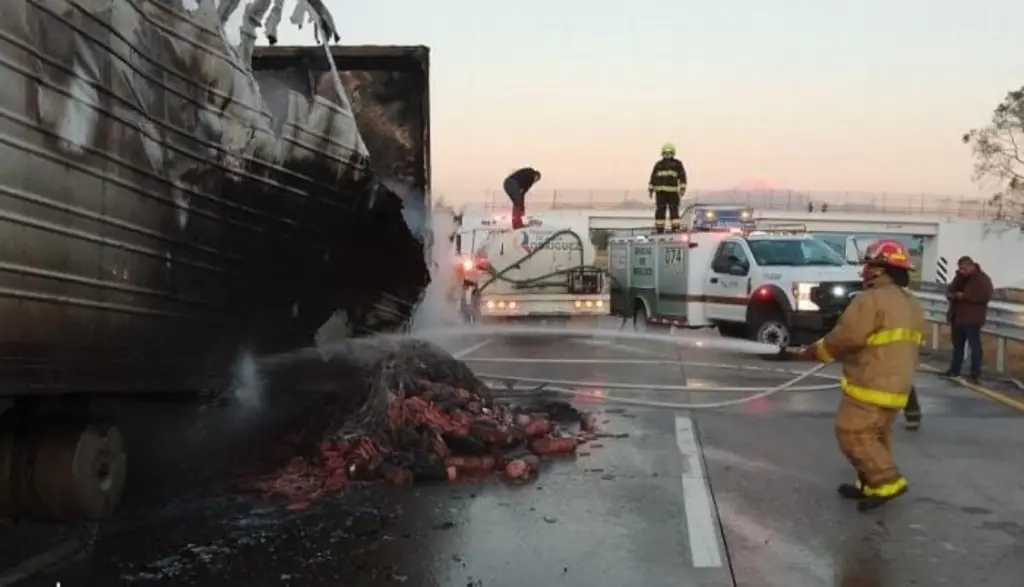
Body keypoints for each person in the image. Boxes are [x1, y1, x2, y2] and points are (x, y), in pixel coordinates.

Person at [799, 238, 927, 512]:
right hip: (897, 384)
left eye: (870, 265)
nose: (865, 270)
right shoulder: (911, 302)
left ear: (882, 269)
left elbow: (847, 336)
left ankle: (886, 482)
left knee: (852, 433)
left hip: (870, 382)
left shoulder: (871, 299)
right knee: (877, 435)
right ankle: (868, 483)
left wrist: (817, 351)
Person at [943, 256, 993, 383]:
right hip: (958, 317)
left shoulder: (982, 279)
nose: (961, 271)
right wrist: (952, 295)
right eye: (960, 269)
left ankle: (975, 373)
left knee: (974, 346)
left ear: (971, 266)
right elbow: (950, 289)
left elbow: (985, 295)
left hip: (972, 318)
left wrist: (965, 296)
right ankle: (955, 369)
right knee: (957, 345)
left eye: (964, 269)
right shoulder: (959, 278)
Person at [647, 143, 687, 233]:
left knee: (673, 211)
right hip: (660, 192)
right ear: (662, 153)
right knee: (660, 211)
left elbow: (682, 177)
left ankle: (675, 228)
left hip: (672, 192)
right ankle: (660, 229)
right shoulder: (658, 165)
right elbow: (653, 177)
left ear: (673, 153)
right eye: (666, 153)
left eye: (669, 153)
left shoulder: (677, 164)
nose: (667, 155)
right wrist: (650, 189)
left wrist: (682, 188)